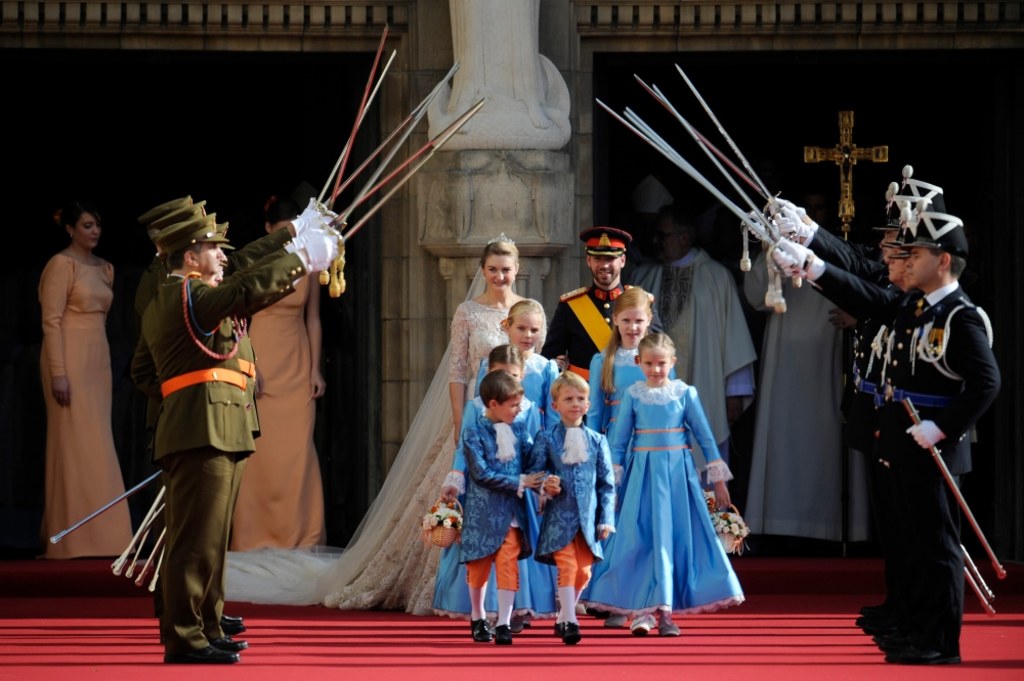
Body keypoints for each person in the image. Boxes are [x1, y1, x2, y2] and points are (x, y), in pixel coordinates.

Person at [769, 178, 1000, 664]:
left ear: (942, 261)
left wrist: (942, 428)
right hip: (904, 437)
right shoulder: (916, 307)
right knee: (911, 539)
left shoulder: (960, 316)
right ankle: (917, 629)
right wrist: (814, 266)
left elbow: (986, 383)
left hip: (932, 443)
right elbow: (872, 294)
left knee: (936, 547)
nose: (902, 260)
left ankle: (938, 642)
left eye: (913, 254)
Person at [131, 203, 338, 664]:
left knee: (210, 539)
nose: (222, 256)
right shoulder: (184, 297)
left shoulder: (191, 293)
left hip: (218, 423)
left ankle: (204, 625)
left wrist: (294, 236)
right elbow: (246, 286)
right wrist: (301, 258)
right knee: (194, 540)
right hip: (200, 426)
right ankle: (186, 638)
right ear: (189, 256)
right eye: (212, 248)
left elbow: (241, 267)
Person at [311, 236, 525, 615]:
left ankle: (509, 592)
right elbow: (458, 370)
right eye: (492, 269)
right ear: (482, 270)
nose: (499, 275)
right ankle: (448, 587)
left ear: (517, 270)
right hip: (473, 419)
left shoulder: (528, 311)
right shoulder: (468, 312)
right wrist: (460, 421)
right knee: (455, 497)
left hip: (514, 425)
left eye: (505, 269)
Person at [582, 333, 744, 636]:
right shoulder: (633, 394)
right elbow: (618, 444)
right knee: (641, 538)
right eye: (649, 364)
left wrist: (719, 481)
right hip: (641, 476)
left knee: (672, 540)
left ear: (673, 362)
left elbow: (705, 438)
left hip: (677, 478)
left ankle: (666, 612)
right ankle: (643, 612)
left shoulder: (685, 393)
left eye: (661, 364)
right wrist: (612, 486)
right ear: (638, 362)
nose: (656, 370)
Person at [743, 211, 870, 544]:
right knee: (784, 430)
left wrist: (858, 311)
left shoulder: (838, 252)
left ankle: (836, 528)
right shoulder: (779, 248)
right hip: (785, 352)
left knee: (829, 430)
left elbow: (868, 282)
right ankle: (778, 523)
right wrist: (770, 250)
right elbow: (756, 296)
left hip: (829, 349)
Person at [38, 200, 133, 559]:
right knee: (75, 444)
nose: (94, 231)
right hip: (69, 358)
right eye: (88, 225)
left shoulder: (105, 268)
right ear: (70, 229)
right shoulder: (62, 265)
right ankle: (74, 538)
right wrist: (59, 373)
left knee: (97, 441)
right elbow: (51, 322)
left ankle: (106, 538)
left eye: (97, 225)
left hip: (97, 358)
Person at [230, 195, 326, 550]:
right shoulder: (253, 263)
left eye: (295, 230)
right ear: (268, 229)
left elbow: (313, 318)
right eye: (282, 230)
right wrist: (247, 366)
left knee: (297, 451)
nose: (289, 236)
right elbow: (236, 320)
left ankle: (302, 537)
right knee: (260, 453)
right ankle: (252, 537)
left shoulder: (308, 262)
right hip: (260, 357)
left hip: (297, 361)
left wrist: (316, 369)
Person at [630, 204, 757, 469]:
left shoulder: (716, 277)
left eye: (662, 235)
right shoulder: (644, 275)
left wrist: (734, 392)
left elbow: (733, 335)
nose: (656, 241)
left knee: (705, 451)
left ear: (684, 237)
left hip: (706, 388)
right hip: (654, 388)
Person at [459, 370, 549, 645]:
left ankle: (504, 623)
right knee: (479, 568)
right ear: (493, 404)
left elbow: (532, 460)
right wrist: (520, 481)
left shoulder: (520, 428)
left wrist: (543, 473)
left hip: (512, 514)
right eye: (513, 405)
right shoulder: (474, 433)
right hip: (483, 513)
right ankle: (478, 616)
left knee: (509, 566)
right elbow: (481, 474)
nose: (519, 409)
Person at [531, 371, 616, 645]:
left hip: (589, 520)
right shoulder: (546, 438)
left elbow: (606, 484)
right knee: (567, 566)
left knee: (584, 572)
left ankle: (562, 617)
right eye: (568, 398)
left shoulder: (598, 440)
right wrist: (546, 484)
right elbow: (535, 472)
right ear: (555, 406)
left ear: (588, 404)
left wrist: (606, 519)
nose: (575, 403)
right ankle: (570, 620)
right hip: (560, 516)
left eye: (581, 398)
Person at [542, 226, 638, 380]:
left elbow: (658, 350)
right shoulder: (570, 305)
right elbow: (550, 360)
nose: (604, 265)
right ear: (588, 260)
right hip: (583, 396)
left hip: (627, 391)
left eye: (610, 259)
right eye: (597, 259)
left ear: (622, 260)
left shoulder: (640, 302)